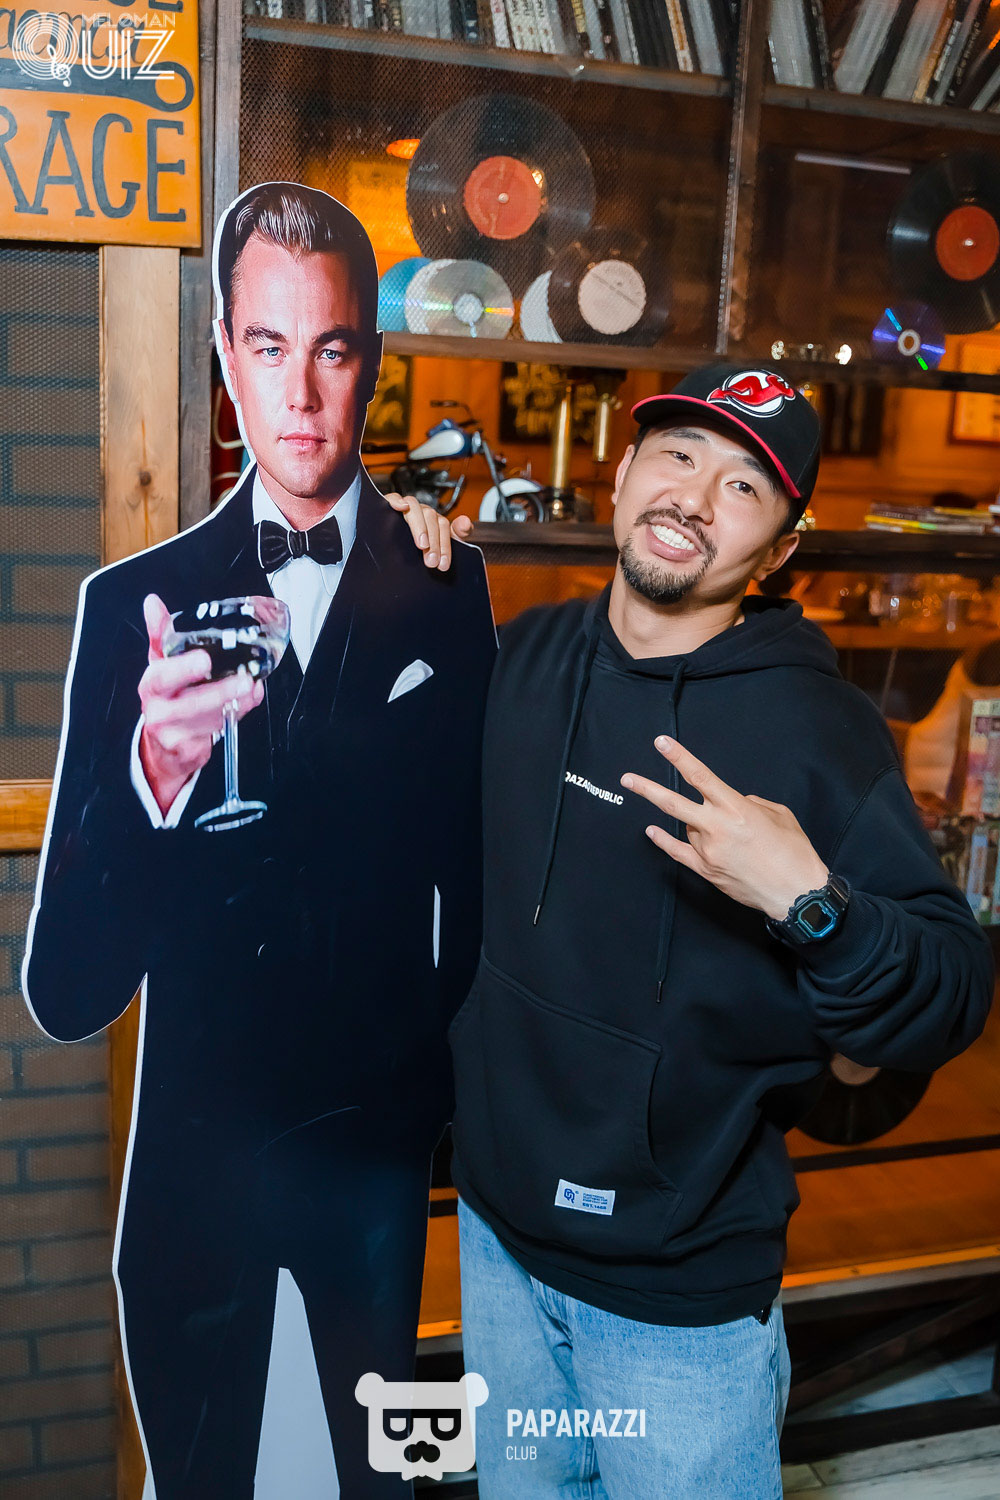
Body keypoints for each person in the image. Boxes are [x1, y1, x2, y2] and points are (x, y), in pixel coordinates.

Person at [390, 364, 995, 1498]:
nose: (694, 498)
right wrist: (379, 559)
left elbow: (950, 992)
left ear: (778, 553)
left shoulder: (820, 731)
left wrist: (810, 901)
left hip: (677, 1299)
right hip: (496, 1237)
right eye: (678, 455)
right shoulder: (521, 659)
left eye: (743, 488)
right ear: (623, 473)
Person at [22, 183, 497, 1498]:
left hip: (376, 1166)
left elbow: (475, 878)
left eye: (331, 349)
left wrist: (446, 1109)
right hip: (195, 1175)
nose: (299, 394)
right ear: (225, 354)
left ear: (372, 364)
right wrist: (149, 778)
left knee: (383, 1480)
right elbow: (66, 991)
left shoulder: (446, 585)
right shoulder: (135, 607)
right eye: (269, 347)